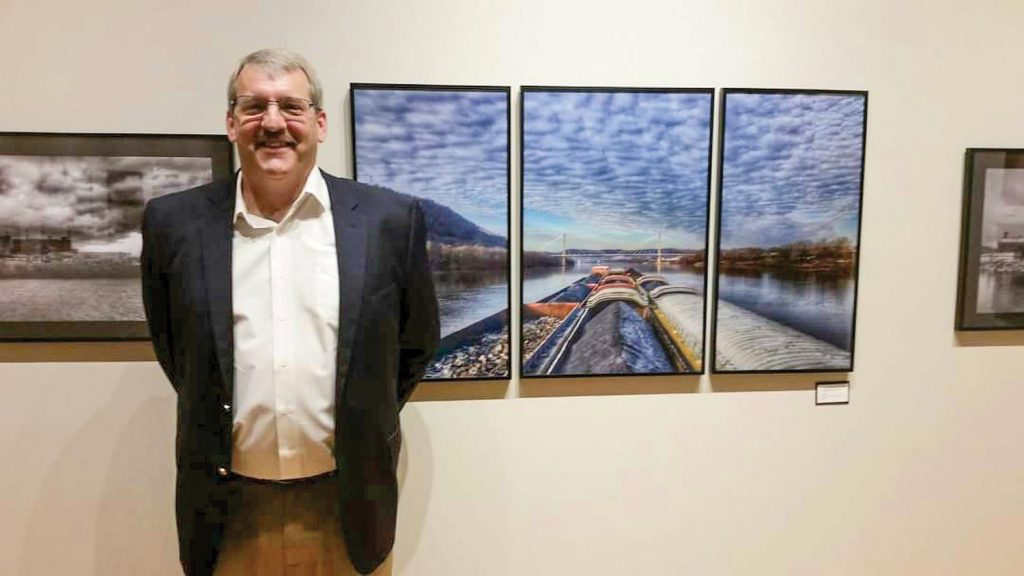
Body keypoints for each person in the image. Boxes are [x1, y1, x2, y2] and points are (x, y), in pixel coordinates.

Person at [141, 48, 439, 576]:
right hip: (226, 512)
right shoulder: (173, 223)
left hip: (346, 508)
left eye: (291, 107)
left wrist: (359, 414)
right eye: (254, 107)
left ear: (320, 123)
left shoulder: (389, 221)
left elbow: (415, 346)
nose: (273, 123)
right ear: (231, 123)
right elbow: (176, 353)